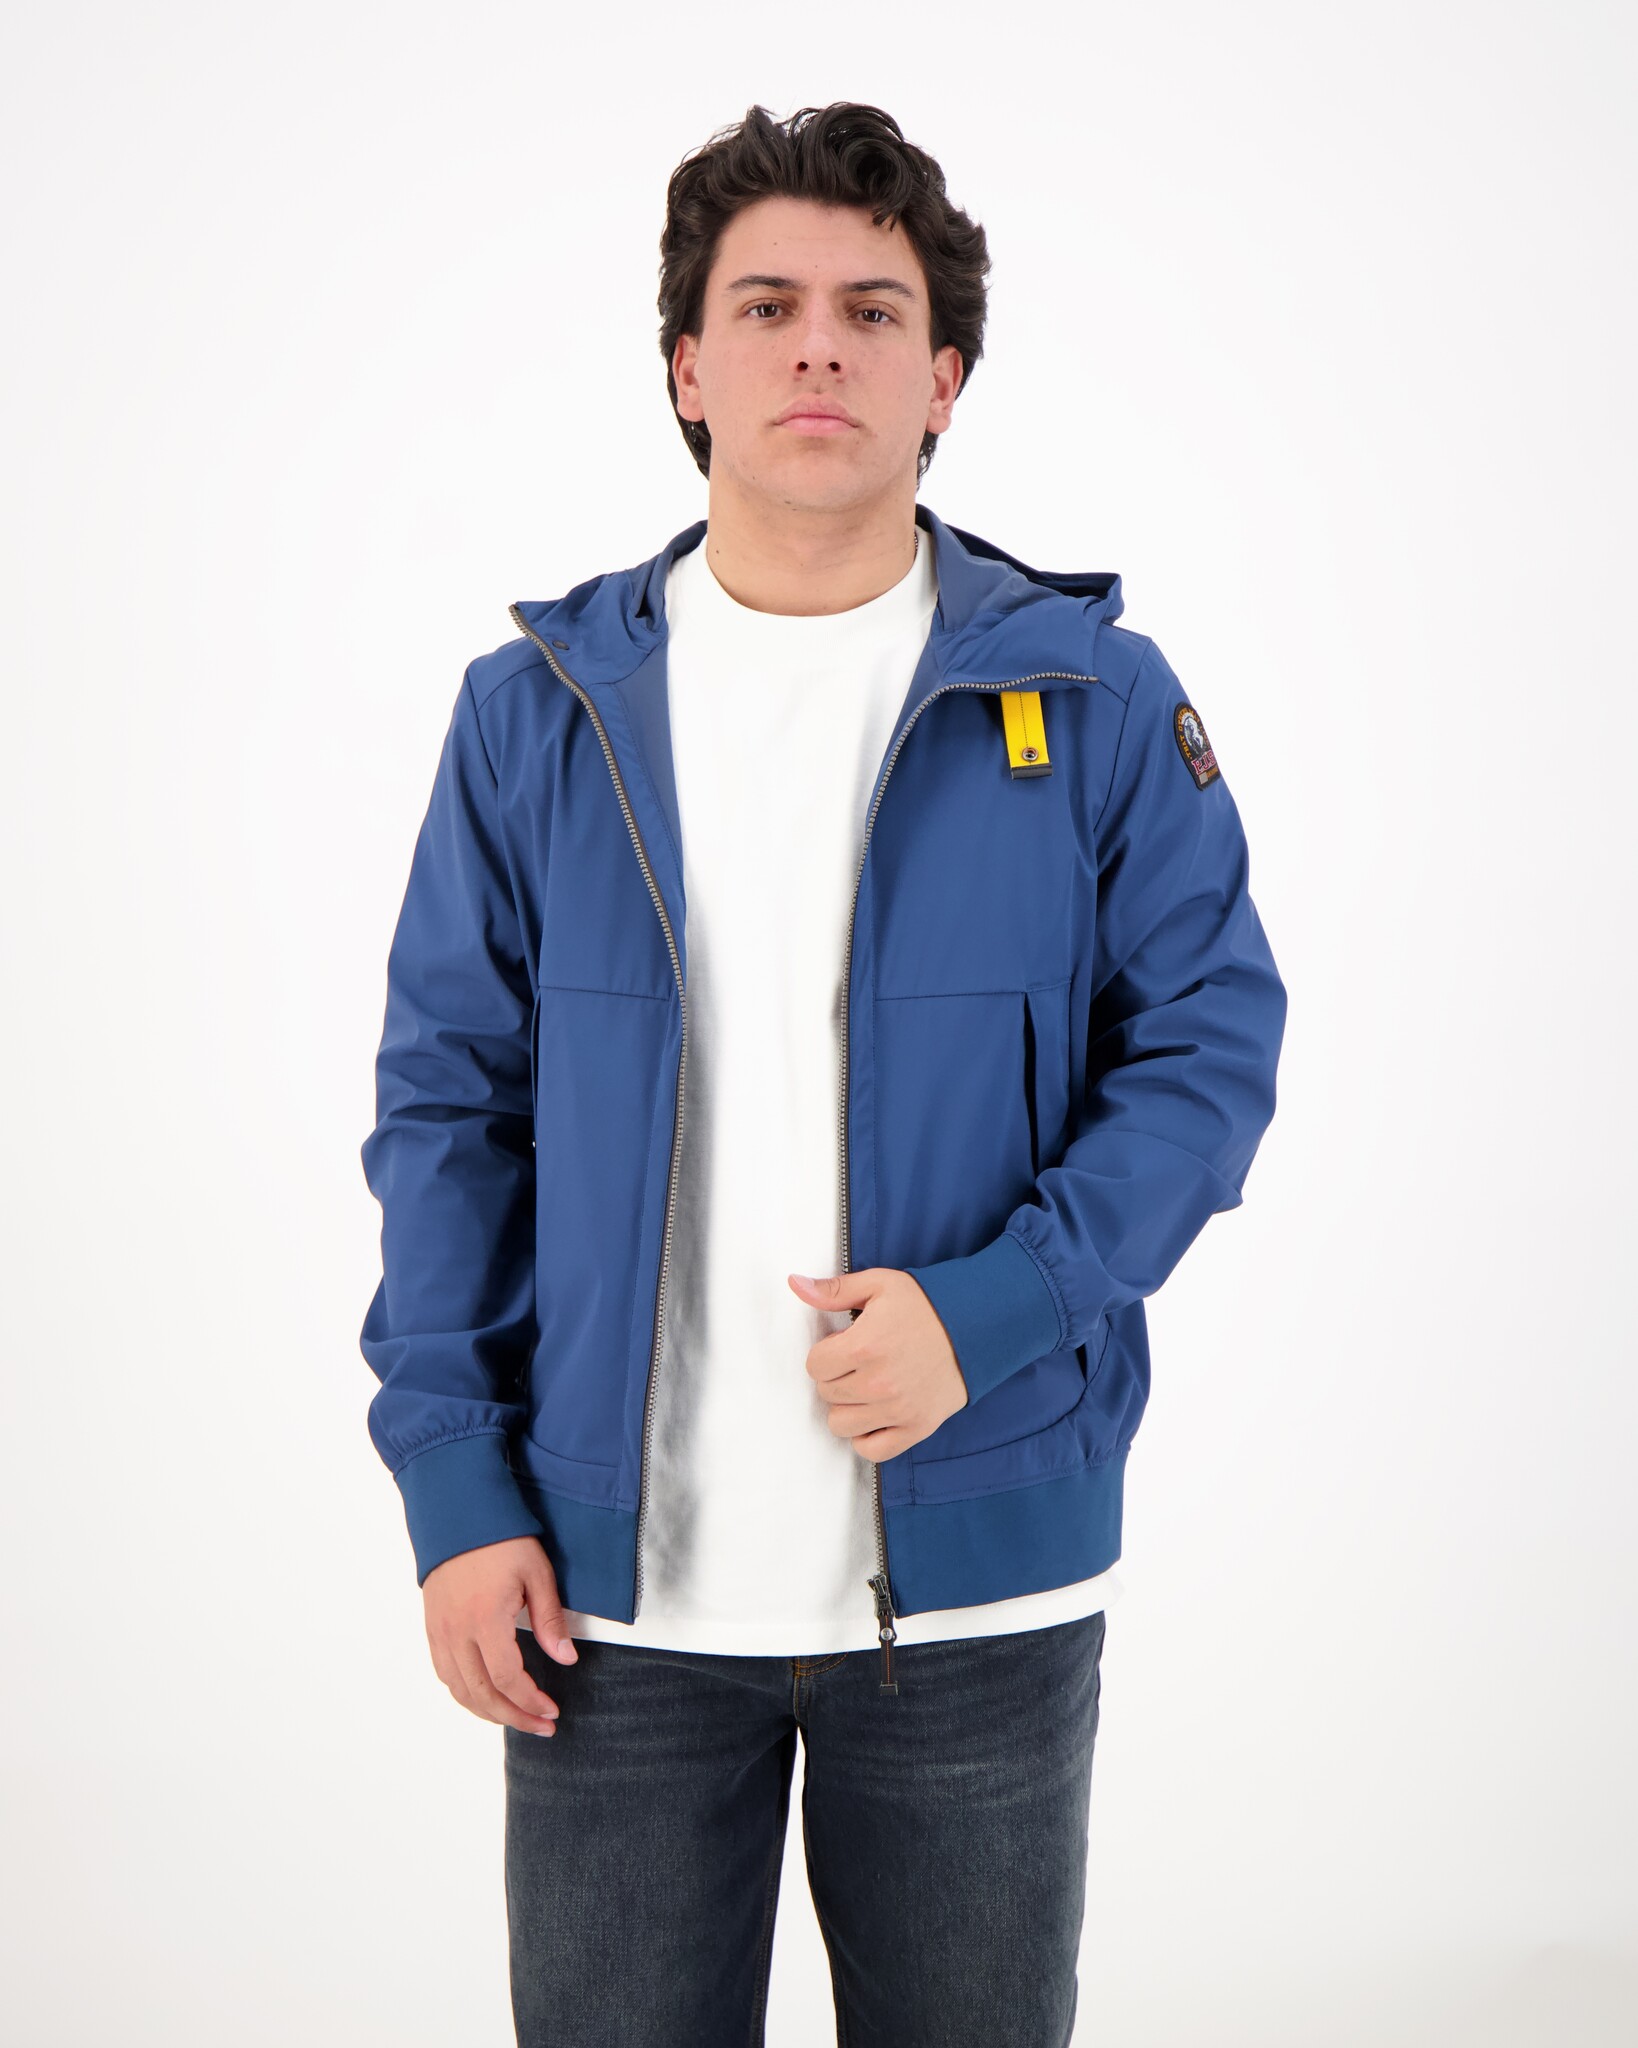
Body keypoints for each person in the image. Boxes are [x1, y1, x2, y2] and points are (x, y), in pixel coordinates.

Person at [358, 99, 1288, 2048]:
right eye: (764, 306)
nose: (819, 349)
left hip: (975, 1606)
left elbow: (1207, 1049)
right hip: (607, 1610)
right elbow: (450, 1116)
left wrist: (995, 1310)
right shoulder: (534, 715)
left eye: (874, 312)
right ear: (687, 369)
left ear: (943, 381)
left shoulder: (1092, 700)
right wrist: (454, 1483)